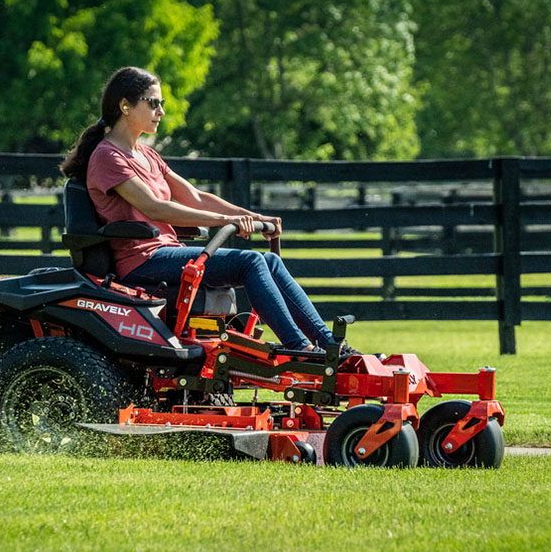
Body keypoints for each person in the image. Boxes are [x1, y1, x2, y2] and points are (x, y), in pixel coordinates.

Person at [60, 66, 357, 355]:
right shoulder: (107, 157)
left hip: (166, 253)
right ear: (125, 106)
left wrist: (253, 218)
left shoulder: (148, 154)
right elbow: (155, 208)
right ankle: (300, 349)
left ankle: (330, 345)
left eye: (161, 104)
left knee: (269, 261)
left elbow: (196, 197)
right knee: (251, 262)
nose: (161, 111)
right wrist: (227, 221)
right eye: (153, 103)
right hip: (141, 262)